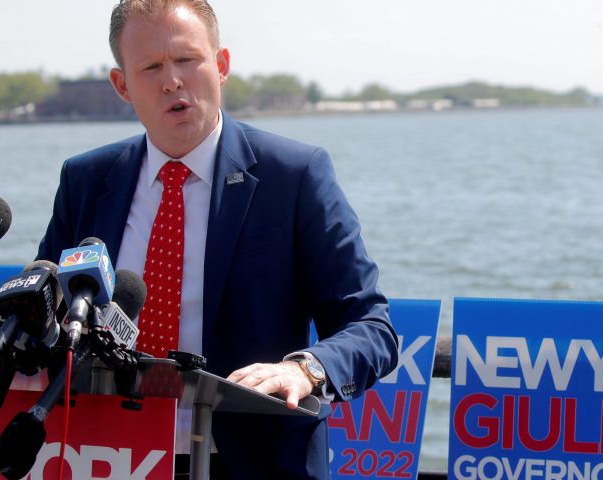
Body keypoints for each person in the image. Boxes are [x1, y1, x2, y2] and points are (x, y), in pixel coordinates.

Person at [37, 0, 398, 478]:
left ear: (221, 65)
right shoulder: (85, 180)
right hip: (101, 455)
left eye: (188, 60)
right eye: (151, 67)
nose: (172, 81)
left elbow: (372, 327)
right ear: (122, 85)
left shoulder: (293, 176)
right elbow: (47, 311)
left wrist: (306, 370)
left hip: (247, 461)